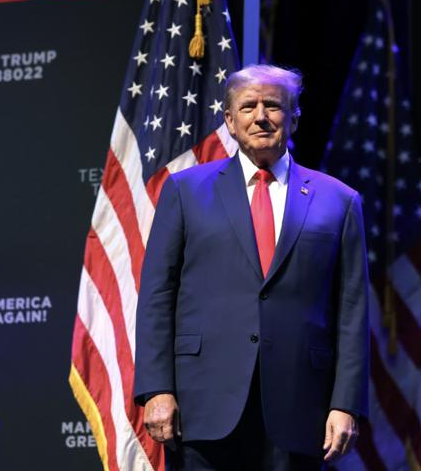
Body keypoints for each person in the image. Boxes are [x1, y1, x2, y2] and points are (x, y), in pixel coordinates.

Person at [134, 64, 369, 470]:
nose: (260, 116)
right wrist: (156, 390)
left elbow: (353, 311)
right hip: (201, 405)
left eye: (273, 105)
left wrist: (346, 403)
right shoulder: (185, 192)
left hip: (300, 408)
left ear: (294, 117)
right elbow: (157, 295)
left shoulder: (340, 201)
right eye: (248, 106)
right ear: (229, 120)